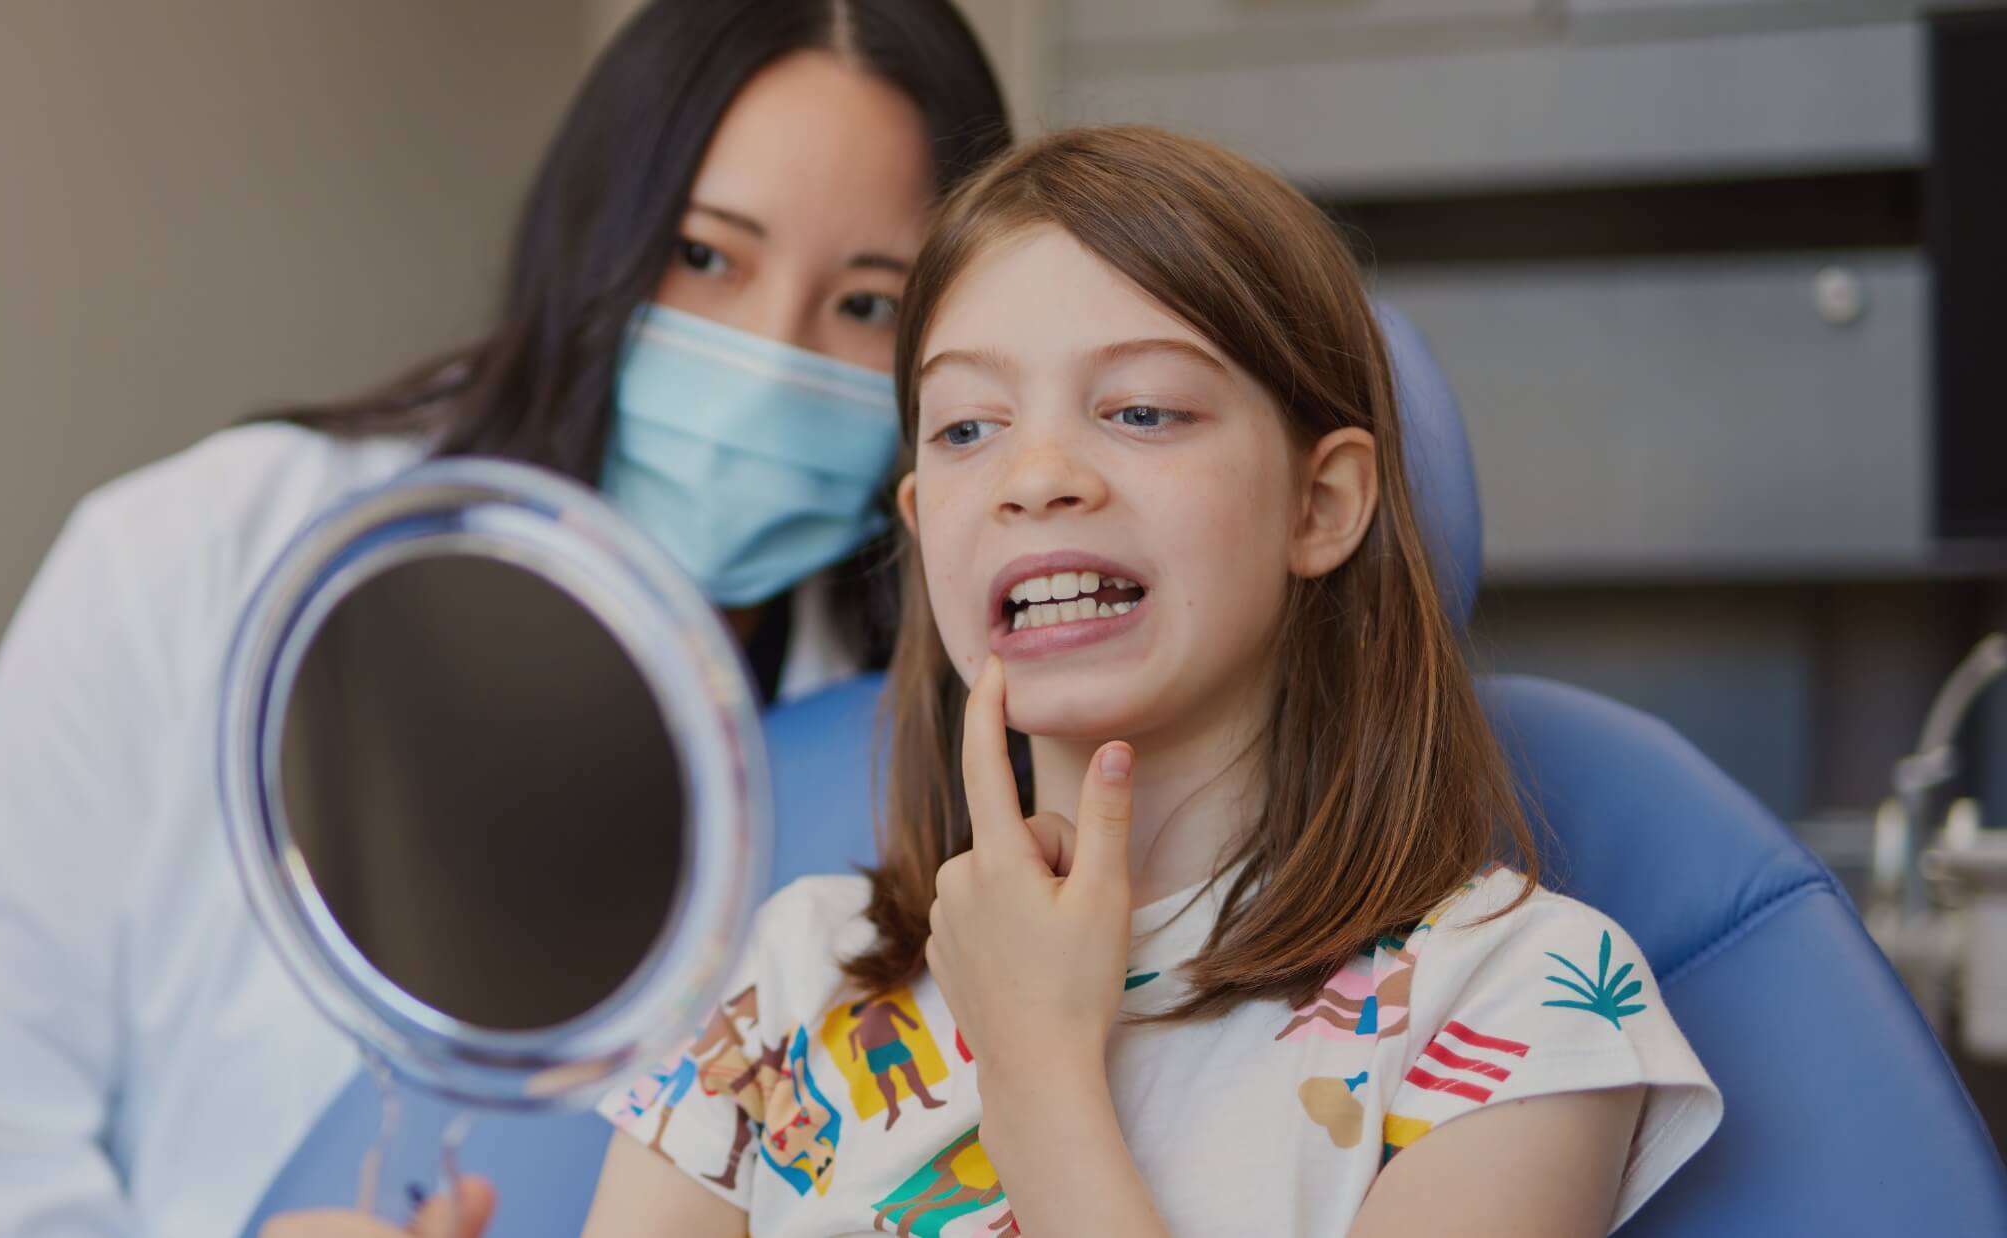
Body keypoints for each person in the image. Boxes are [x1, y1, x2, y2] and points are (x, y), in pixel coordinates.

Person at [0, 2, 1011, 1233]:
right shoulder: (217, 552)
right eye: (705, 255)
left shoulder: (905, 745)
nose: (765, 357)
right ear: (593, 236)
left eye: (868, 305)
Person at [572, 126, 1727, 1236]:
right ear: (925, 528)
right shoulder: (793, 977)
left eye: (1139, 410)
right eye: (968, 426)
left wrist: (1037, 1077)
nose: (1035, 476)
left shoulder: (1518, 1000)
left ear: (1320, 504)